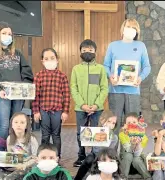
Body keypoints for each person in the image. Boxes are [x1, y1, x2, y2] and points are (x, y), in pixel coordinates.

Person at [0, 21, 34, 140]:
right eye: (4, 33)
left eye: (10, 34)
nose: (7, 36)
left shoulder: (17, 53)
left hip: (18, 95)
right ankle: (1, 153)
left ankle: (13, 151)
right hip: (2, 95)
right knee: (4, 126)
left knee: (15, 125)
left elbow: (26, 71)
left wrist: (26, 86)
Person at [104, 18, 151, 134]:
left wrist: (140, 78)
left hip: (133, 91)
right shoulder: (113, 45)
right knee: (114, 124)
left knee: (132, 124)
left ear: (137, 31)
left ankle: (128, 151)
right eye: (128, 27)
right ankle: (112, 151)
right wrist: (110, 77)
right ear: (123, 29)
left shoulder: (140, 46)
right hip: (115, 90)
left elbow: (147, 67)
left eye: (134, 28)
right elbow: (105, 65)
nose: (130, 30)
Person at [70, 39, 108, 167]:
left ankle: (95, 156)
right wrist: (82, 105)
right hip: (81, 108)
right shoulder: (76, 69)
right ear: (80, 52)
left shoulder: (101, 69)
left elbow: (104, 88)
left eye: (90, 50)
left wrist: (96, 104)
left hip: (97, 108)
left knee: (97, 131)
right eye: (84, 50)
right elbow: (73, 88)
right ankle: (81, 156)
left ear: (95, 52)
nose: (87, 52)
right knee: (81, 132)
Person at [32, 48, 70, 159]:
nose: (50, 60)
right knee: (45, 135)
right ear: (42, 61)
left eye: (52, 58)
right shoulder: (39, 76)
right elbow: (35, 95)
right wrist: (36, 112)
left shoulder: (62, 76)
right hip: (43, 111)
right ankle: (44, 157)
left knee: (56, 136)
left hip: (57, 111)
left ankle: (56, 158)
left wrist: (65, 111)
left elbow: (66, 95)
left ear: (57, 60)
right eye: (46, 59)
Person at [73, 110, 118, 180]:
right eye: (109, 121)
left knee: (111, 164)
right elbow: (86, 142)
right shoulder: (95, 131)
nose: (111, 124)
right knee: (88, 160)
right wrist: (86, 139)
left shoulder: (114, 137)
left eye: (113, 123)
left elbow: (109, 151)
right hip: (94, 154)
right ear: (102, 120)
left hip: (105, 157)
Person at [119, 112, 151, 180]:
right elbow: (128, 150)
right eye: (128, 123)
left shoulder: (143, 136)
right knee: (128, 155)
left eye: (134, 122)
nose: (131, 125)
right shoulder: (122, 134)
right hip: (125, 165)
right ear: (125, 125)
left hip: (137, 166)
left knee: (136, 159)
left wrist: (137, 144)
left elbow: (137, 154)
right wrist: (132, 144)